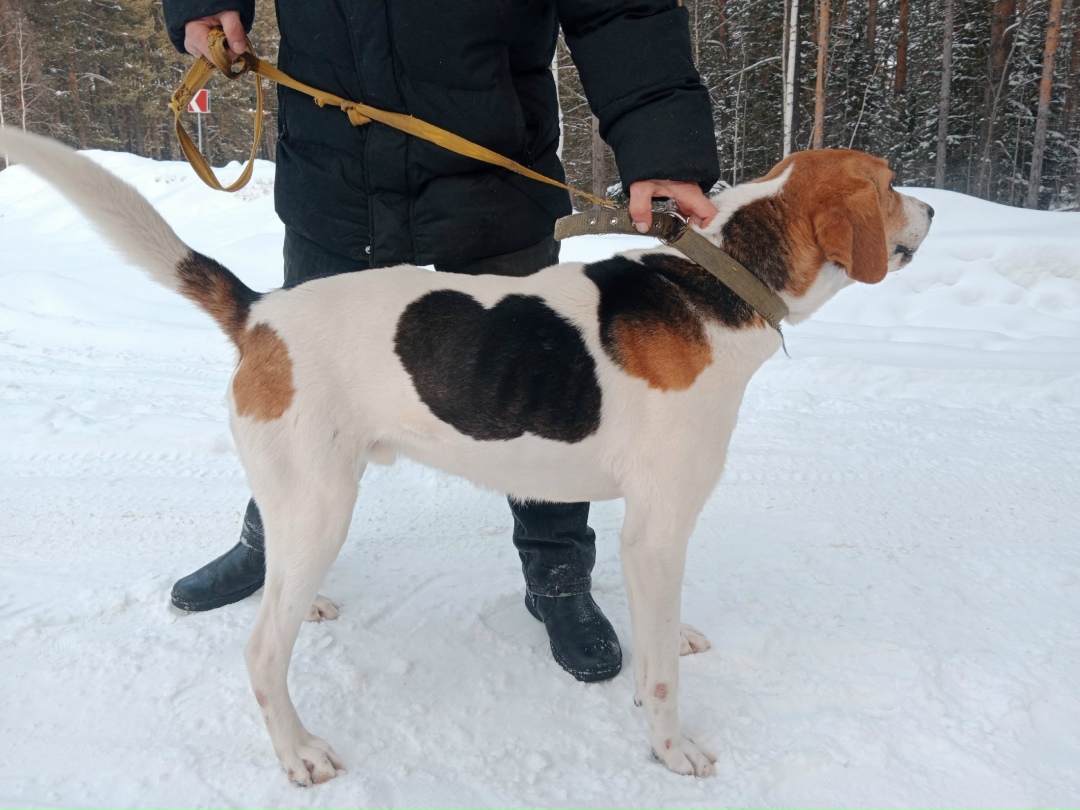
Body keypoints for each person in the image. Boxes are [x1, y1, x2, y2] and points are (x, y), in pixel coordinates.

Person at [163, 0, 720, 683]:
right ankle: (269, 544)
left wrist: (659, 142)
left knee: (543, 399)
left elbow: (620, 9)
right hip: (336, 169)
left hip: (490, 168)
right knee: (301, 388)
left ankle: (558, 573)